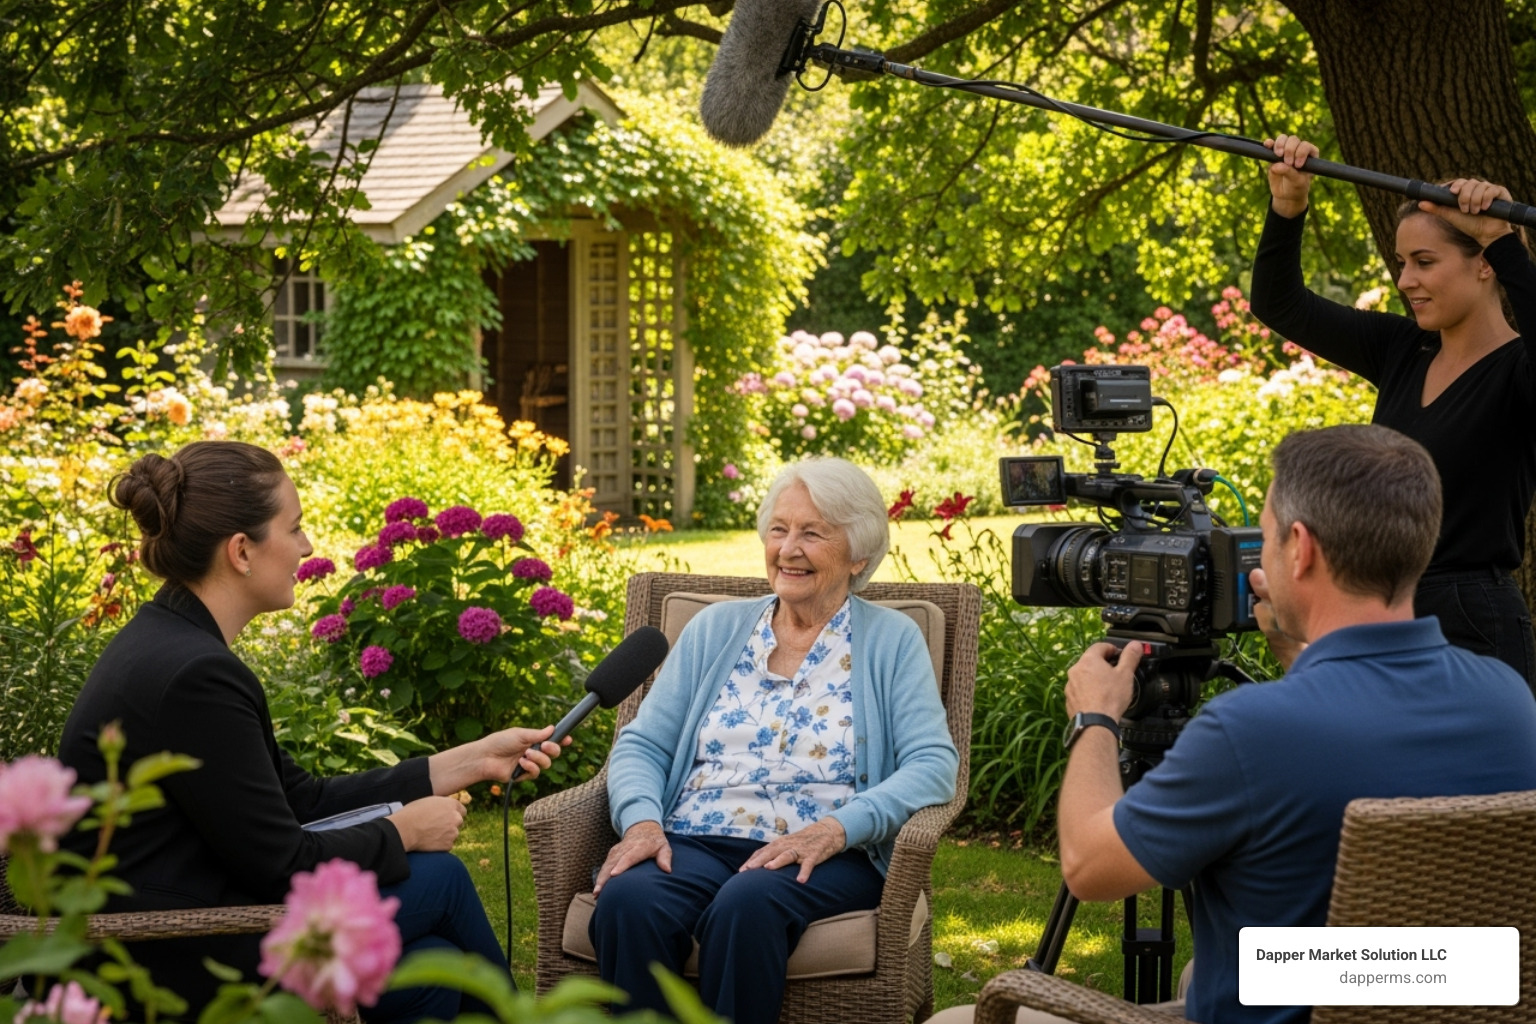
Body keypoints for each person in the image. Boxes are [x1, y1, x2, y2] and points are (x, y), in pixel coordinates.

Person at [57, 441, 566, 1023]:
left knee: (429, 970)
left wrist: (466, 761)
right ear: (241, 551)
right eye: (294, 528)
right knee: (442, 879)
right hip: (171, 951)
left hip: (190, 921)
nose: (308, 546)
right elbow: (283, 864)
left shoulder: (171, 641)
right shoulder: (195, 675)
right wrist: (402, 831)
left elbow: (298, 799)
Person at [1049, 424, 1536, 1024]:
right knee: (1205, 971)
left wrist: (1095, 716)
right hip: (1447, 993)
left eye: (1269, 537)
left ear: (1301, 549)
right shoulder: (1508, 700)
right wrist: (1296, 656)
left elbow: (1088, 866)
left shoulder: (1249, 733)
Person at [587, 457, 959, 1024]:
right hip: (697, 835)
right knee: (629, 901)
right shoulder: (714, 628)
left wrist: (838, 829)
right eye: (779, 529)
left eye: (813, 533)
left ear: (858, 555)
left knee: (748, 905)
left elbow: (933, 764)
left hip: (827, 849)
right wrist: (642, 820)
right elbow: (644, 745)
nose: (788, 548)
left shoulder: (892, 640)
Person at [1250, 133, 1536, 693]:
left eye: (1424, 262)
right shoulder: (1403, 348)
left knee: (1482, 784)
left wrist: (1504, 241)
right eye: (1403, 262)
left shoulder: (1518, 371)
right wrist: (1288, 207)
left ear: (1484, 266)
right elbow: (1279, 304)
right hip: (1384, 613)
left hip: (1472, 620)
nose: (1405, 281)